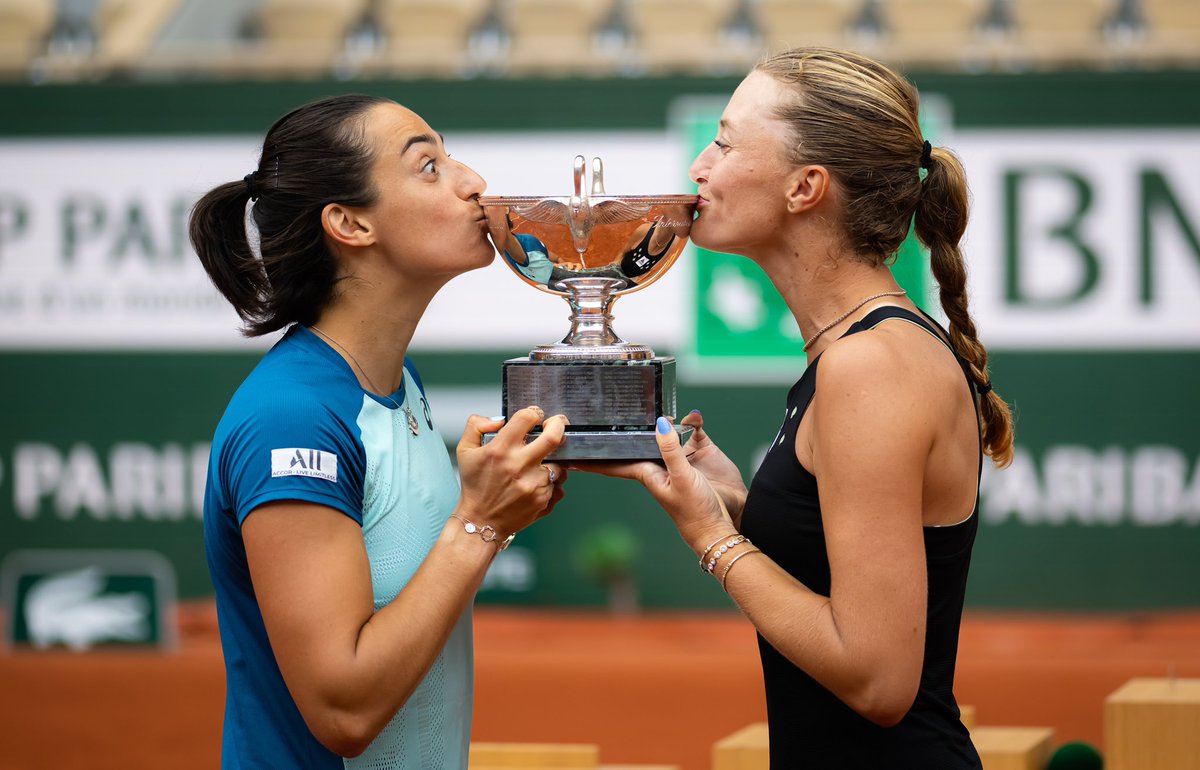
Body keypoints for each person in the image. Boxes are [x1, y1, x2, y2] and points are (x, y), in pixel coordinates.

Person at [585, 48, 1014, 768]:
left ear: (805, 186)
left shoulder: (869, 365)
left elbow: (878, 679)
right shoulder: (855, 351)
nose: (699, 165)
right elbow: (839, 565)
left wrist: (709, 540)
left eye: (724, 142)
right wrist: (731, 505)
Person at [189, 94, 569, 769]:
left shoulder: (398, 382)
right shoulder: (293, 418)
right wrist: (479, 524)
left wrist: (495, 513)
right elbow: (345, 709)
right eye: (428, 166)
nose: (472, 181)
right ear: (350, 223)